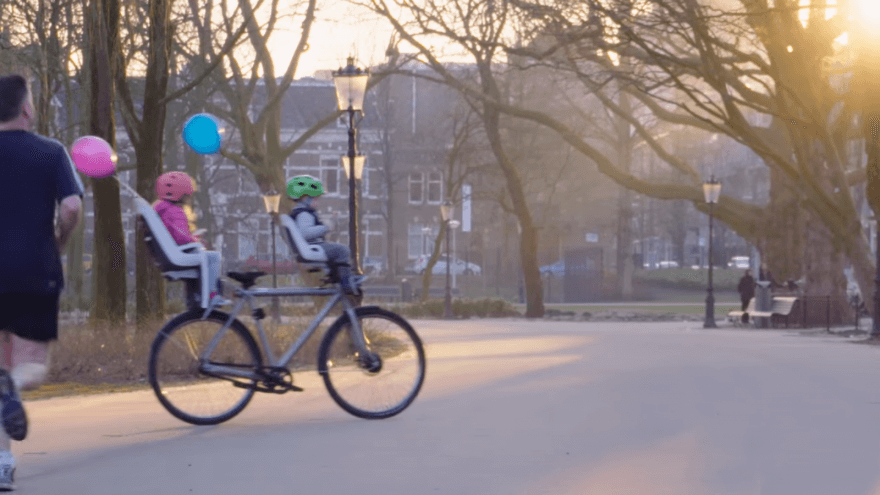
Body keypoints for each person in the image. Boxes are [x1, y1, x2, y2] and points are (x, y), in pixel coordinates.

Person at [0, 74, 85, 490]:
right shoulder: (52, 152)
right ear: (27, 109)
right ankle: (11, 387)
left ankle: (2, 464)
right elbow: (70, 206)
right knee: (28, 366)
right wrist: (60, 240)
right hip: (35, 270)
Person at [152, 171, 229, 307]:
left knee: (204, 259)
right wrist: (195, 241)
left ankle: (195, 299)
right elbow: (181, 237)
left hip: (173, 253)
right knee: (213, 257)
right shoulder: (175, 211)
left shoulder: (163, 210)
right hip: (179, 254)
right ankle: (212, 295)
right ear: (180, 194)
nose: (190, 198)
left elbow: (175, 234)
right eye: (187, 195)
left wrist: (193, 239)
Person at [286, 176, 360, 295]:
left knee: (336, 253)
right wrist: (325, 228)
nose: (317, 201)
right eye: (315, 198)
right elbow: (305, 233)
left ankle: (334, 276)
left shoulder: (301, 212)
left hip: (311, 247)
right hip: (312, 247)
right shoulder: (304, 214)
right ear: (304, 198)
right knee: (342, 251)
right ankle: (346, 283)